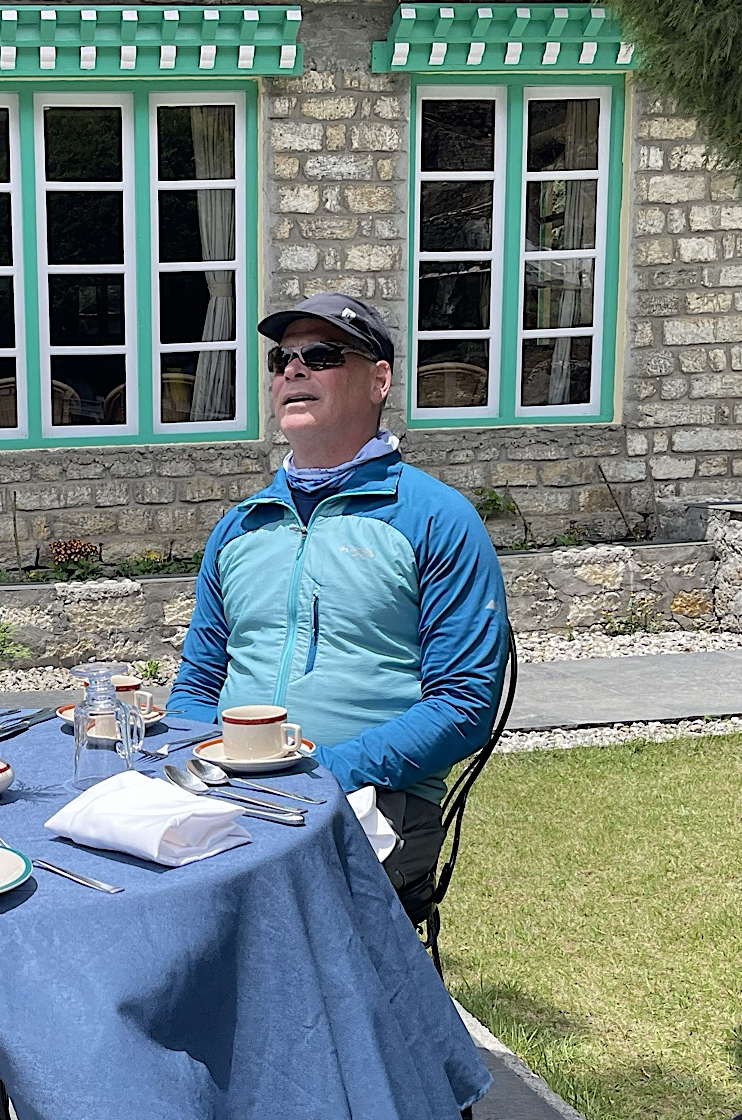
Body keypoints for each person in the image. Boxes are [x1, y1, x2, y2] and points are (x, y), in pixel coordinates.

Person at [169, 292, 510, 922]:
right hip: (231, 788)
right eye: (280, 360)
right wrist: (188, 753)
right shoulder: (241, 526)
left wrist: (321, 769)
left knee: (272, 920)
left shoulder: (436, 519)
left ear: (378, 379)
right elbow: (197, 681)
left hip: (373, 797)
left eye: (321, 355)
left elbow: (464, 707)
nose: (293, 371)